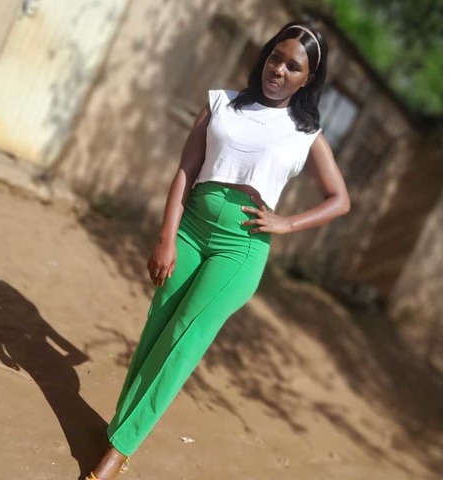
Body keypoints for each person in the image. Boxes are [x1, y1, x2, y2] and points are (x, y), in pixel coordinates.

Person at [85, 20, 351, 480]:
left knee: (182, 340)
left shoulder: (305, 133)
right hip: (190, 229)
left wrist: (287, 223)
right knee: (156, 330)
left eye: (293, 66)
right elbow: (186, 170)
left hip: (240, 248)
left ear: (308, 79)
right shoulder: (222, 103)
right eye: (276, 57)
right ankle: (120, 430)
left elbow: (340, 199)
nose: (279, 70)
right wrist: (166, 238)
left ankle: (119, 450)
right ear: (265, 56)